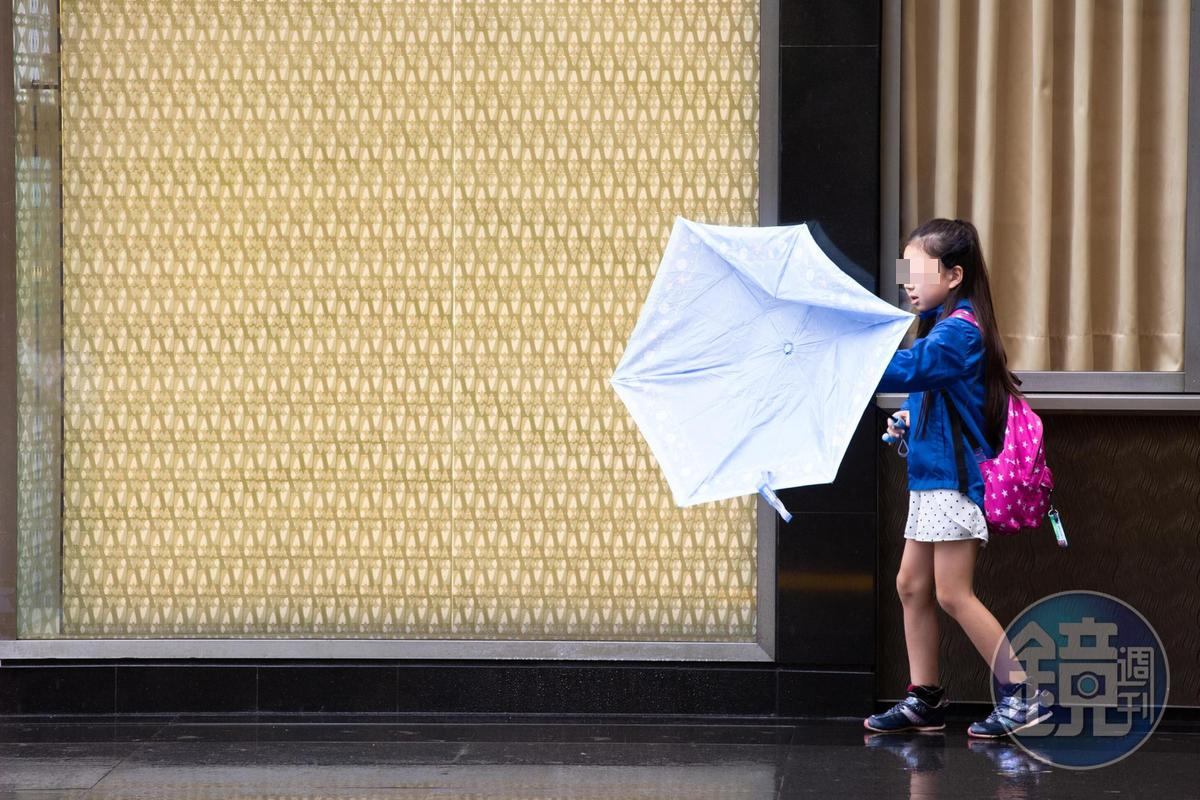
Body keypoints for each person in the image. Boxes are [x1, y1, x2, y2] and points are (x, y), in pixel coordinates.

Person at [863, 218, 1051, 738]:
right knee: (912, 585)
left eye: (916, 270)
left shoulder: (961, 330)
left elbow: (912, 369)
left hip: (954, 484)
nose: (906, 281)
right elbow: (928, 388)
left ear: (953, 275)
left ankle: (1021, 695)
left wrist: (848, 355)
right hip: (931, 482)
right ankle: (925, 698)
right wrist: (906, 419)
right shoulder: (944, 325)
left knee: (952, 593)